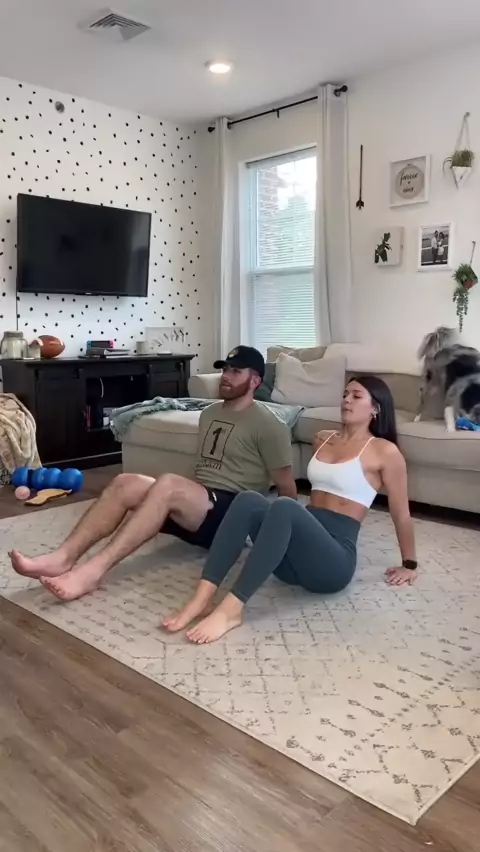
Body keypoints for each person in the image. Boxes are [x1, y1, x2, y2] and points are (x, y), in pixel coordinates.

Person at [10, 346, 296, 601]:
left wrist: (282, 541)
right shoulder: (210, 413)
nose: (225, 376)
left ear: (255, 381)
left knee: (169, 484)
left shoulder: (269, 425)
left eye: (236, 371)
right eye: (225, 369)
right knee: (125, 482)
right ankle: (62, 558)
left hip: (232, 516)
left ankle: (92, 572)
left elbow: (287, 489)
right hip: (199, 507)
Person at [164, 376, 418, 644]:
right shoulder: (323, 439)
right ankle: (203, 597)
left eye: (356, 396)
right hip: (291, 563)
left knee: (285, 506)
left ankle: (231, 611)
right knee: (248, 500)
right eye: (345, 394)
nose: (346, 400)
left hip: (332, 565)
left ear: (375, 408)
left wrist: (409, 565)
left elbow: (401, 513)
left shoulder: (385, 452)